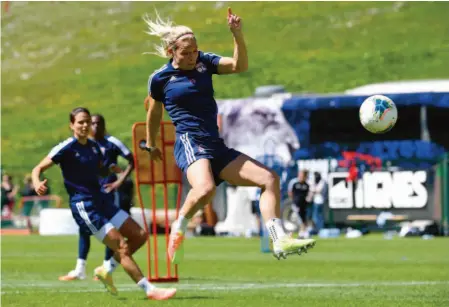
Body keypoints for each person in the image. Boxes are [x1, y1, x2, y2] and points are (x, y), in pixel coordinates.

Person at [143, 8, 316, 262]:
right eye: (186, 52)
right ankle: (179, 226)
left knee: (269, 179)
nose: (192, 56)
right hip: (190, 142)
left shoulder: (204, 62)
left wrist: (237, 35)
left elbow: (239, 65)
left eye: (194, 50)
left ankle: (279, 240)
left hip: (216, 145)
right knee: (206, 189)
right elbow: (154, 112)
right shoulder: (160, 79)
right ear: (172, 52)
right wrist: (150, 141)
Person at [31, 107, 176, 300]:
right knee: (121, 245)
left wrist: (111, 170)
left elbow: (100, 170)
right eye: (80, 122)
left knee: (140, 236)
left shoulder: (93, 147)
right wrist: (36, 182)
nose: (85, 125)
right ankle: (150, 289)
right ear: (72, 125)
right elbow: (38, 168)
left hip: (102, 200)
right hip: (85, 206)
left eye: (87, 122)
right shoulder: (66, 147)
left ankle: (106, 269)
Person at [58, 113, 137, 283]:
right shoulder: (85, 145)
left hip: (108, 192)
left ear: (103, 125)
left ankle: (106, 267)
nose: (93, 127)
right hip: (89, 194)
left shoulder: (111, 142)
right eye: (90, 123)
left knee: (111, 230)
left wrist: (119, 182)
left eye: (96, 123)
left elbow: (132, 160)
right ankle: (80, 269)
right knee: (84, 229)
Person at [288, 170, 311, 239]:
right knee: (297, 219)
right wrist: (293, 201)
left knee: (303, 219)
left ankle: (302, 233)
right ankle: (299, 233)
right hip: (295, 205)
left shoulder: (306, 185)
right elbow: (290, 192)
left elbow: (307, 194)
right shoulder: (294, 183)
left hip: (303, 205)